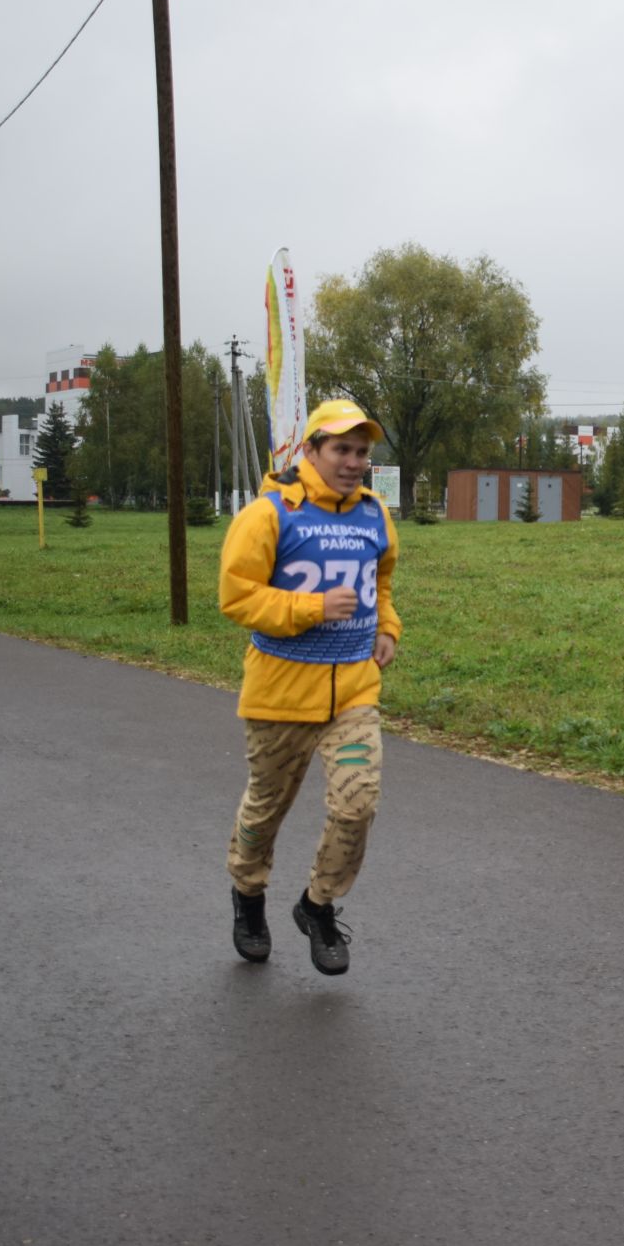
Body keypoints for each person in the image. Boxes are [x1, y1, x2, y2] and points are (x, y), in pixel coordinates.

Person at [217, 400, 400, 975]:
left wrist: (387, 628)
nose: (353, 462)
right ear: (311, 451)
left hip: (352, 694)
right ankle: (248, 897)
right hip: (278, 697)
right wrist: (312, 607)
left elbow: (383, 583)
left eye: (362, 452)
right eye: (341, 449)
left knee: (358, 802)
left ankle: (317, 904)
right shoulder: (268, 514)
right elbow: (237, 595)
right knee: (266, 809)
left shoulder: (375, 514)